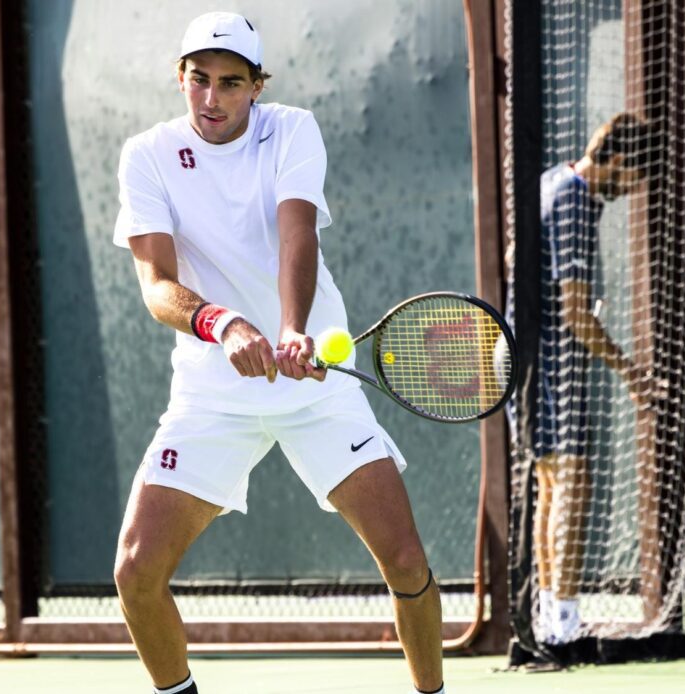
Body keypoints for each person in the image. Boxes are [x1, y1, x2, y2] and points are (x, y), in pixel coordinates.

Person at [110, 13, 444, 694]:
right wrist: (224, 324)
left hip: (315, 388)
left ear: (258, 86)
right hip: (211, 395)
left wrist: (292, 329)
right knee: (137, 570)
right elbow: (156, 286)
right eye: (199, 79)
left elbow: (297, 234)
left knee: (406, 561)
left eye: (231, 83)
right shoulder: (146, 154)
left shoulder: (291, 130)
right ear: (180, 78)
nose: (212, 97)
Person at [522, 112, 660, 645]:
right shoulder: (577, 201)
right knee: (571, 484)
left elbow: (518, 261)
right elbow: (576, 314)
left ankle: (548, 615)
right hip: (551, 361)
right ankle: (564, 624)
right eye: (634, 180)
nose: (632, 193)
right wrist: (630, 372)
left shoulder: (548, 182)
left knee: (551, 484)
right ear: (620, 161)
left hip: (521, 358)